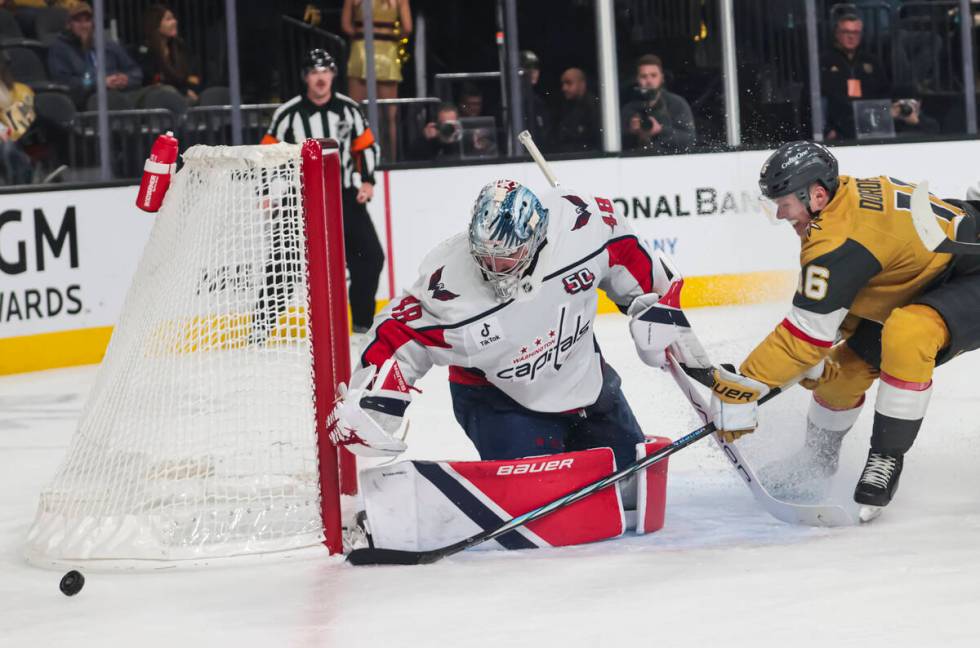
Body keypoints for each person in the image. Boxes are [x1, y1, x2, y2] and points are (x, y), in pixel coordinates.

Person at [331, 178, 680, 477]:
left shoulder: (578, 228)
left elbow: (624, 250)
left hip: (586, 381)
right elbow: (398, 332)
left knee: (632, 479)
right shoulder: (449, 286)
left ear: (535, 238)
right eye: (485, 254)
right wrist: (373, 400)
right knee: (540, 503)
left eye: (507, 256)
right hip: (499, 400)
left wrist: (655, 307)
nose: (494, 266)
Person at [710, 141, 980, 520]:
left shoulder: (838, 241)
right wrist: (820, 345)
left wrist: (747, 385)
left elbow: (803, 337)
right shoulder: (841, 199)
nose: (781, 214)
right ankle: (816, 460)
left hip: (969, 270)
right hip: (932, 272)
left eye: (784, 204)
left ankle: (885, 459)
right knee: (841, 375)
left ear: (817, 195)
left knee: (909, 332)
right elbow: (854, 292)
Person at [262, 48, 384, 336]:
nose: (321, 78)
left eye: (325, 71)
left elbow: (364, 146)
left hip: (342, 196)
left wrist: (367, 181)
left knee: (370, 257)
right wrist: (269, 192)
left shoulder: (349, 109)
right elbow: (269, 155)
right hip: (300, 200)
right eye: (315, 72)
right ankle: (259, 329)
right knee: (284, 264)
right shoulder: (288, 114)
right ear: (306, 77)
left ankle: (362, 323)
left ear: (333, 75)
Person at [342, 0, 412, 161]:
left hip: (361, 51)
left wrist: (361, 34)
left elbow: (346, 26)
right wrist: (388, 36)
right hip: (386, 52)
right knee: (389, 116)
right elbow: (407, 27)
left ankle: (356, 159)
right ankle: (390, 160)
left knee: (356, 111)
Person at [47, 1, 143, 109]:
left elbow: (136, 71)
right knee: (110, 100)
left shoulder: (108, 45)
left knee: (157, 94)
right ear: (69, 24)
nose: (84, 26)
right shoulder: (60, 49)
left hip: (121, 94)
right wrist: (99, 83)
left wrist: (126, 79)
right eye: (78, 21)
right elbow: (65, 82)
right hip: (87, 99)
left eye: (87, 21)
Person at [820, 11, 890, 141]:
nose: (851, 37)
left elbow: (883, 94)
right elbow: (816, 99)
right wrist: (827, 131)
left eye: (855, 32)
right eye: (846, 32)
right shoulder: (824, 61)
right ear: (837, 34)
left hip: (871, 126)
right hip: (838, 131)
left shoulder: (871, 61)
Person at [621, 55, 696, 154]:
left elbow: (690, 140)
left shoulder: (677, 104)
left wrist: (660, 130)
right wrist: (632, 132)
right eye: (644, 76)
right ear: (637, 79)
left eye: (653, 75)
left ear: (662, 77)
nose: (649, 81)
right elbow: (615, 144)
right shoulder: (629, 109)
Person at [136, 4, 202, 105]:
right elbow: (153, 82)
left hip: (187, 97)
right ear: (156, 25)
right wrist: (182, 92)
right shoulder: (145, 51)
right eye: (168, 19)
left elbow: (193, 77)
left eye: (174, 18)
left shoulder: (181, 48)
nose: (175, 21)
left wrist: (191, 89)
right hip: (159, 102)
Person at [0, 50, 35, 185]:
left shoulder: (22, 90)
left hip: (20, 141)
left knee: (8, 148)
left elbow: (17, 127)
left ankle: (19, 185)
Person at [553, 67, 599, 153]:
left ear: (582, 84)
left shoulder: (594, 107)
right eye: (563, 84)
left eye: (569, 83)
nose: (564, 88)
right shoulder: (563, 107)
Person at [519, 50, 550, 147]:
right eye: (528, 67)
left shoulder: (538, 102)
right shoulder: (512, 102)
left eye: (536, 68)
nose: (533, 72)